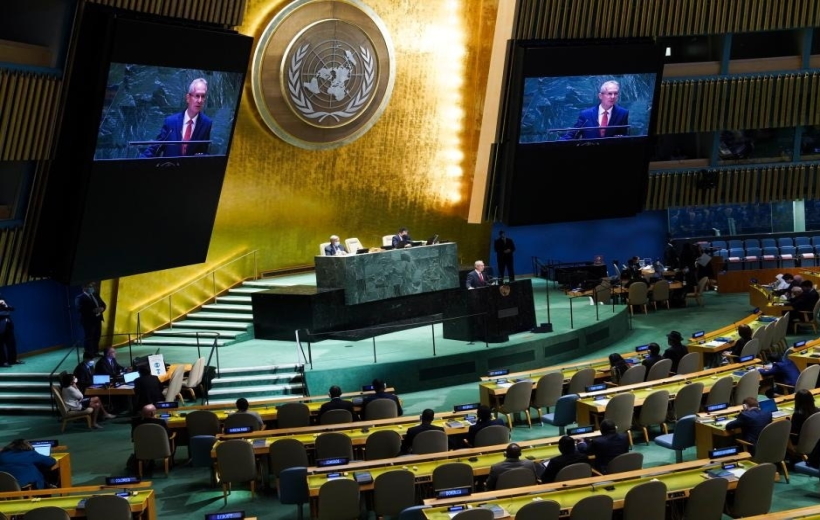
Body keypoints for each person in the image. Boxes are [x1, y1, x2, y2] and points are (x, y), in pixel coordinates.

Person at [140, 78, 212, 158]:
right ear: (188, 98)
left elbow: (203, 151)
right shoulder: (171, 122)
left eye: (203, 96)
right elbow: (156, 147)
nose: (200, 100)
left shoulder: (206, 123)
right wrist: (139, 162)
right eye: (197, 96)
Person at [560, 80, 629, 140]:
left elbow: (623, 134)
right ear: (600, 96)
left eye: (615, 93)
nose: (613, 97)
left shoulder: (623, 113)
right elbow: (573, 134)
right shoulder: (586, 114)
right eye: (609, 93)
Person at [76, 282, 106, 356]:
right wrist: (93, 310)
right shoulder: (80, 298)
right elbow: (80, 309)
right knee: (89, 337)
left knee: (97, 336)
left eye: (92, 286)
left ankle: (96, 352)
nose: (92, 288)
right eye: (90, 286)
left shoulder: (95, 295)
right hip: (88, 321)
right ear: (84, 288)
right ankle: (89, 353)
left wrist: (102, 308)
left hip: (98, 319)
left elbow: (103, 304)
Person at [0, 295, 20, 367]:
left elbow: (12, 308)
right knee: (0, 346)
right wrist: (6, 313)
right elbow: (6, 313)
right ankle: (3, 362)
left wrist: (5, 304)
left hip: (8, 325)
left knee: (12, 343)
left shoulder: (2, 300)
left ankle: (12, 360)